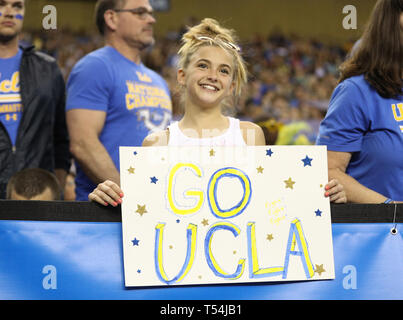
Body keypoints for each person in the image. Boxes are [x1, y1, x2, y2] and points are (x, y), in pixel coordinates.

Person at [88, 18, 347, 206]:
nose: (213, 76)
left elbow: (268, 201)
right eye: (203, 65)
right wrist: (107, 197)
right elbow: (142, 209)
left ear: (232, 85)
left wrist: (321, 195)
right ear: (182, 75)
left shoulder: (250, 136)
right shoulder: (157, 143)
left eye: (224, 70)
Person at [65, 0, 172, 201]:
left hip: (154, 207)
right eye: (140, 12)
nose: (151, 19)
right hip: (105, 213)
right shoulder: (94, 67)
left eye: (150, 13)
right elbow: (82, 143)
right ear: (112, 18)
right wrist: (131, 197)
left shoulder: (159, 81)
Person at [316, 0, 403, 204]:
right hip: (380, 232)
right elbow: (328, 171)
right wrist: (391, 210)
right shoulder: (356, 92)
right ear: (390, 28)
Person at [0, 0, 71, 199]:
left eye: (17, 6)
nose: (9, 12)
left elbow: (61, 139)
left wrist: (57, 189)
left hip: (36, 197)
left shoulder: (47, 69)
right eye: (2, 4)